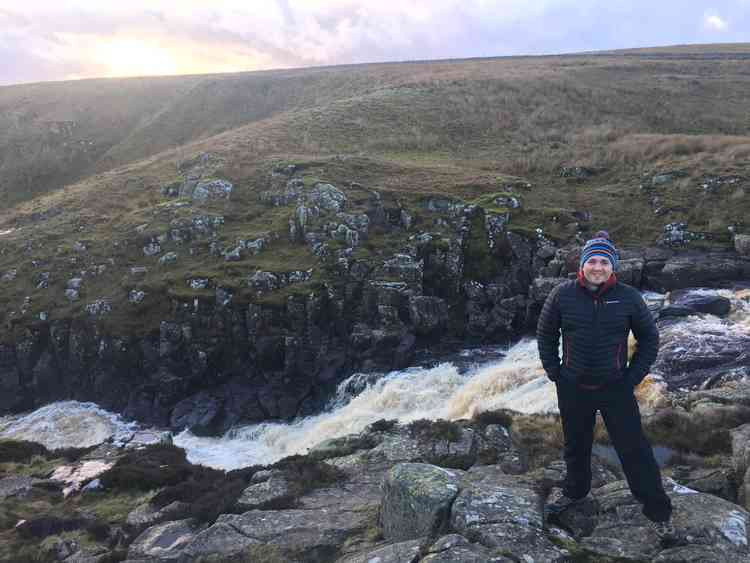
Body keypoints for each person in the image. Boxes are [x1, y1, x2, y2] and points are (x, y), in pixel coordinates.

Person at [536, 230, 675, 542]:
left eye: (603, 262)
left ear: (613, 267)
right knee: (575, 444)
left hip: (616, 387)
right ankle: (575, 492)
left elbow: (650, 339)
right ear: (583, 264)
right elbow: (545, 334)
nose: (597, 267)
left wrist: (632, 377)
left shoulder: (628, 298)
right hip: (572, 386)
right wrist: (554, 371)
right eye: (592, 261)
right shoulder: (562, 294)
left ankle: (658, 512)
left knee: (635, 451)